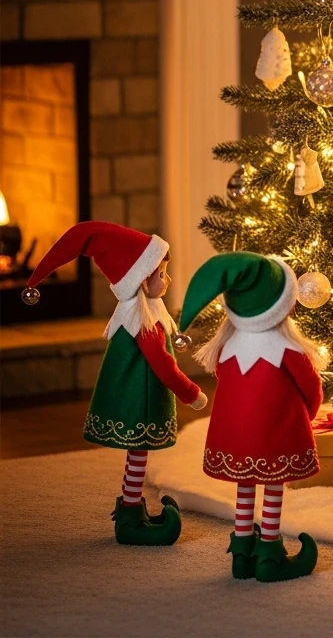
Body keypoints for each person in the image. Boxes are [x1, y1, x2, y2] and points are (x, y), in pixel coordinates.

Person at [22, 222, 205, 544]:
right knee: (138, 452)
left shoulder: (144, 312)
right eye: (162, 274)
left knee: (139, 453)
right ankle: (130, 517)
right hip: (141, 397)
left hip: (136, 393)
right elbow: (163, 363)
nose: (169, 280)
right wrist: (191, 394)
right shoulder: (143, 322)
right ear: (139, 280)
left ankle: (131, 508)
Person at [180, 252, 323, 581]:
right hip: (277, 435)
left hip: (236, 439)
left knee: (245, 487)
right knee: (273, 486)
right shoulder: (289, 348)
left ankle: (242, 552)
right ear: (282, 303)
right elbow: (311, 390)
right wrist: (304, 419)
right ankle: (269, 553)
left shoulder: (226, 347)